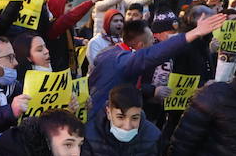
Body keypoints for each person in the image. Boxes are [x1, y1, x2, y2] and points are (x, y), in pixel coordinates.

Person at [89, 14, 227, 119]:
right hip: (103, 119)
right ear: (140, 46)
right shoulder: (121, 60)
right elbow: (152, 54)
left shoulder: (112, 52)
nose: (154, 44)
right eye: (151, 41)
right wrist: (194, 33)